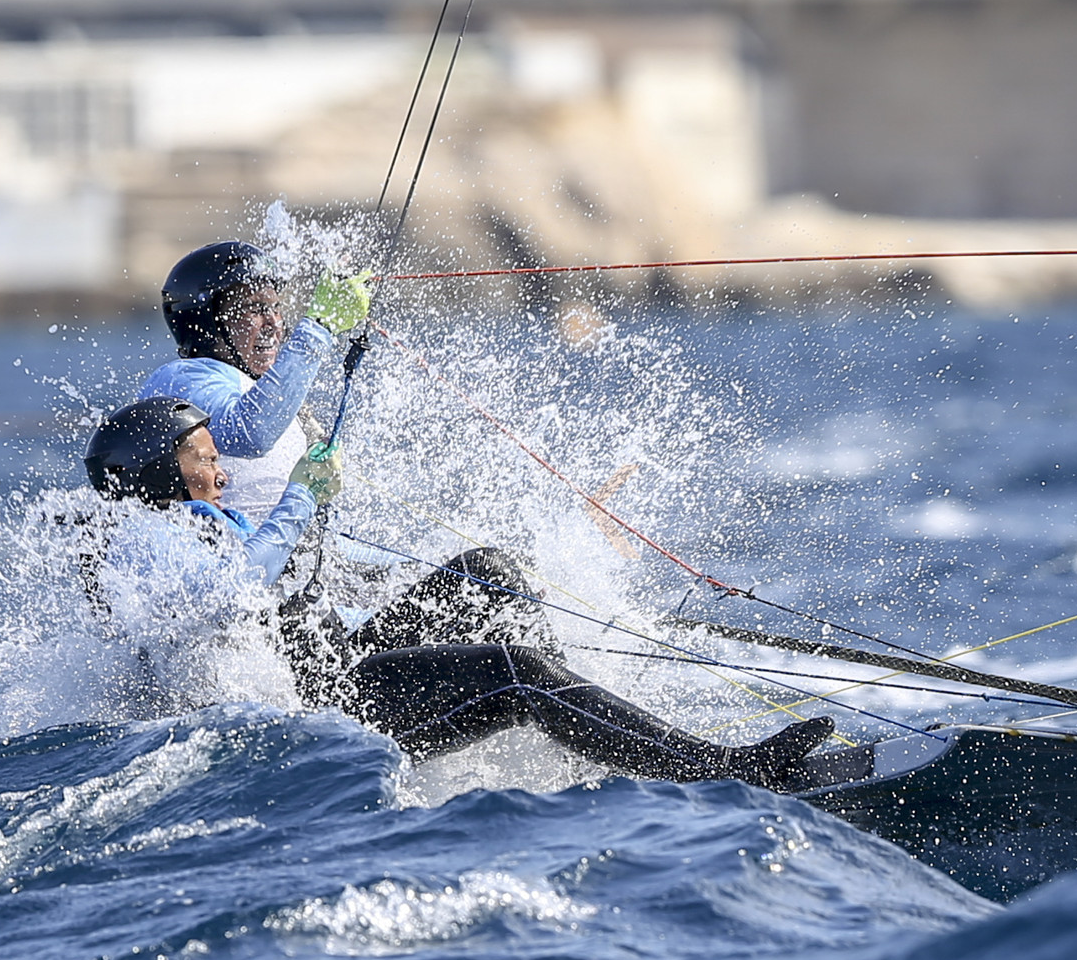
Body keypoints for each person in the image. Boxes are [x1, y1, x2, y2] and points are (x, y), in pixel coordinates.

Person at [82, 397, 835, 787]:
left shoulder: (198, 524)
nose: (220, 472)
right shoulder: (158, 541)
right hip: (325, 706)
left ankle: (595, 739)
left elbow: (284, 584)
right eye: (205, 459)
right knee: (512, 669)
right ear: (160, 472)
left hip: (339, 662)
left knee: (489, 572)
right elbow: (243, 584)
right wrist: (302, 497)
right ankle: (716, 768)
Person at [136, 240, 372, 523]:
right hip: (230, 547)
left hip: (287, 545)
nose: (273, 323)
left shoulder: (261, 392)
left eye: (276, 308)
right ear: (207, 324)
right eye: (255, 309)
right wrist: (319, 326)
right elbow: (250, 434)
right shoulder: (180, 378)